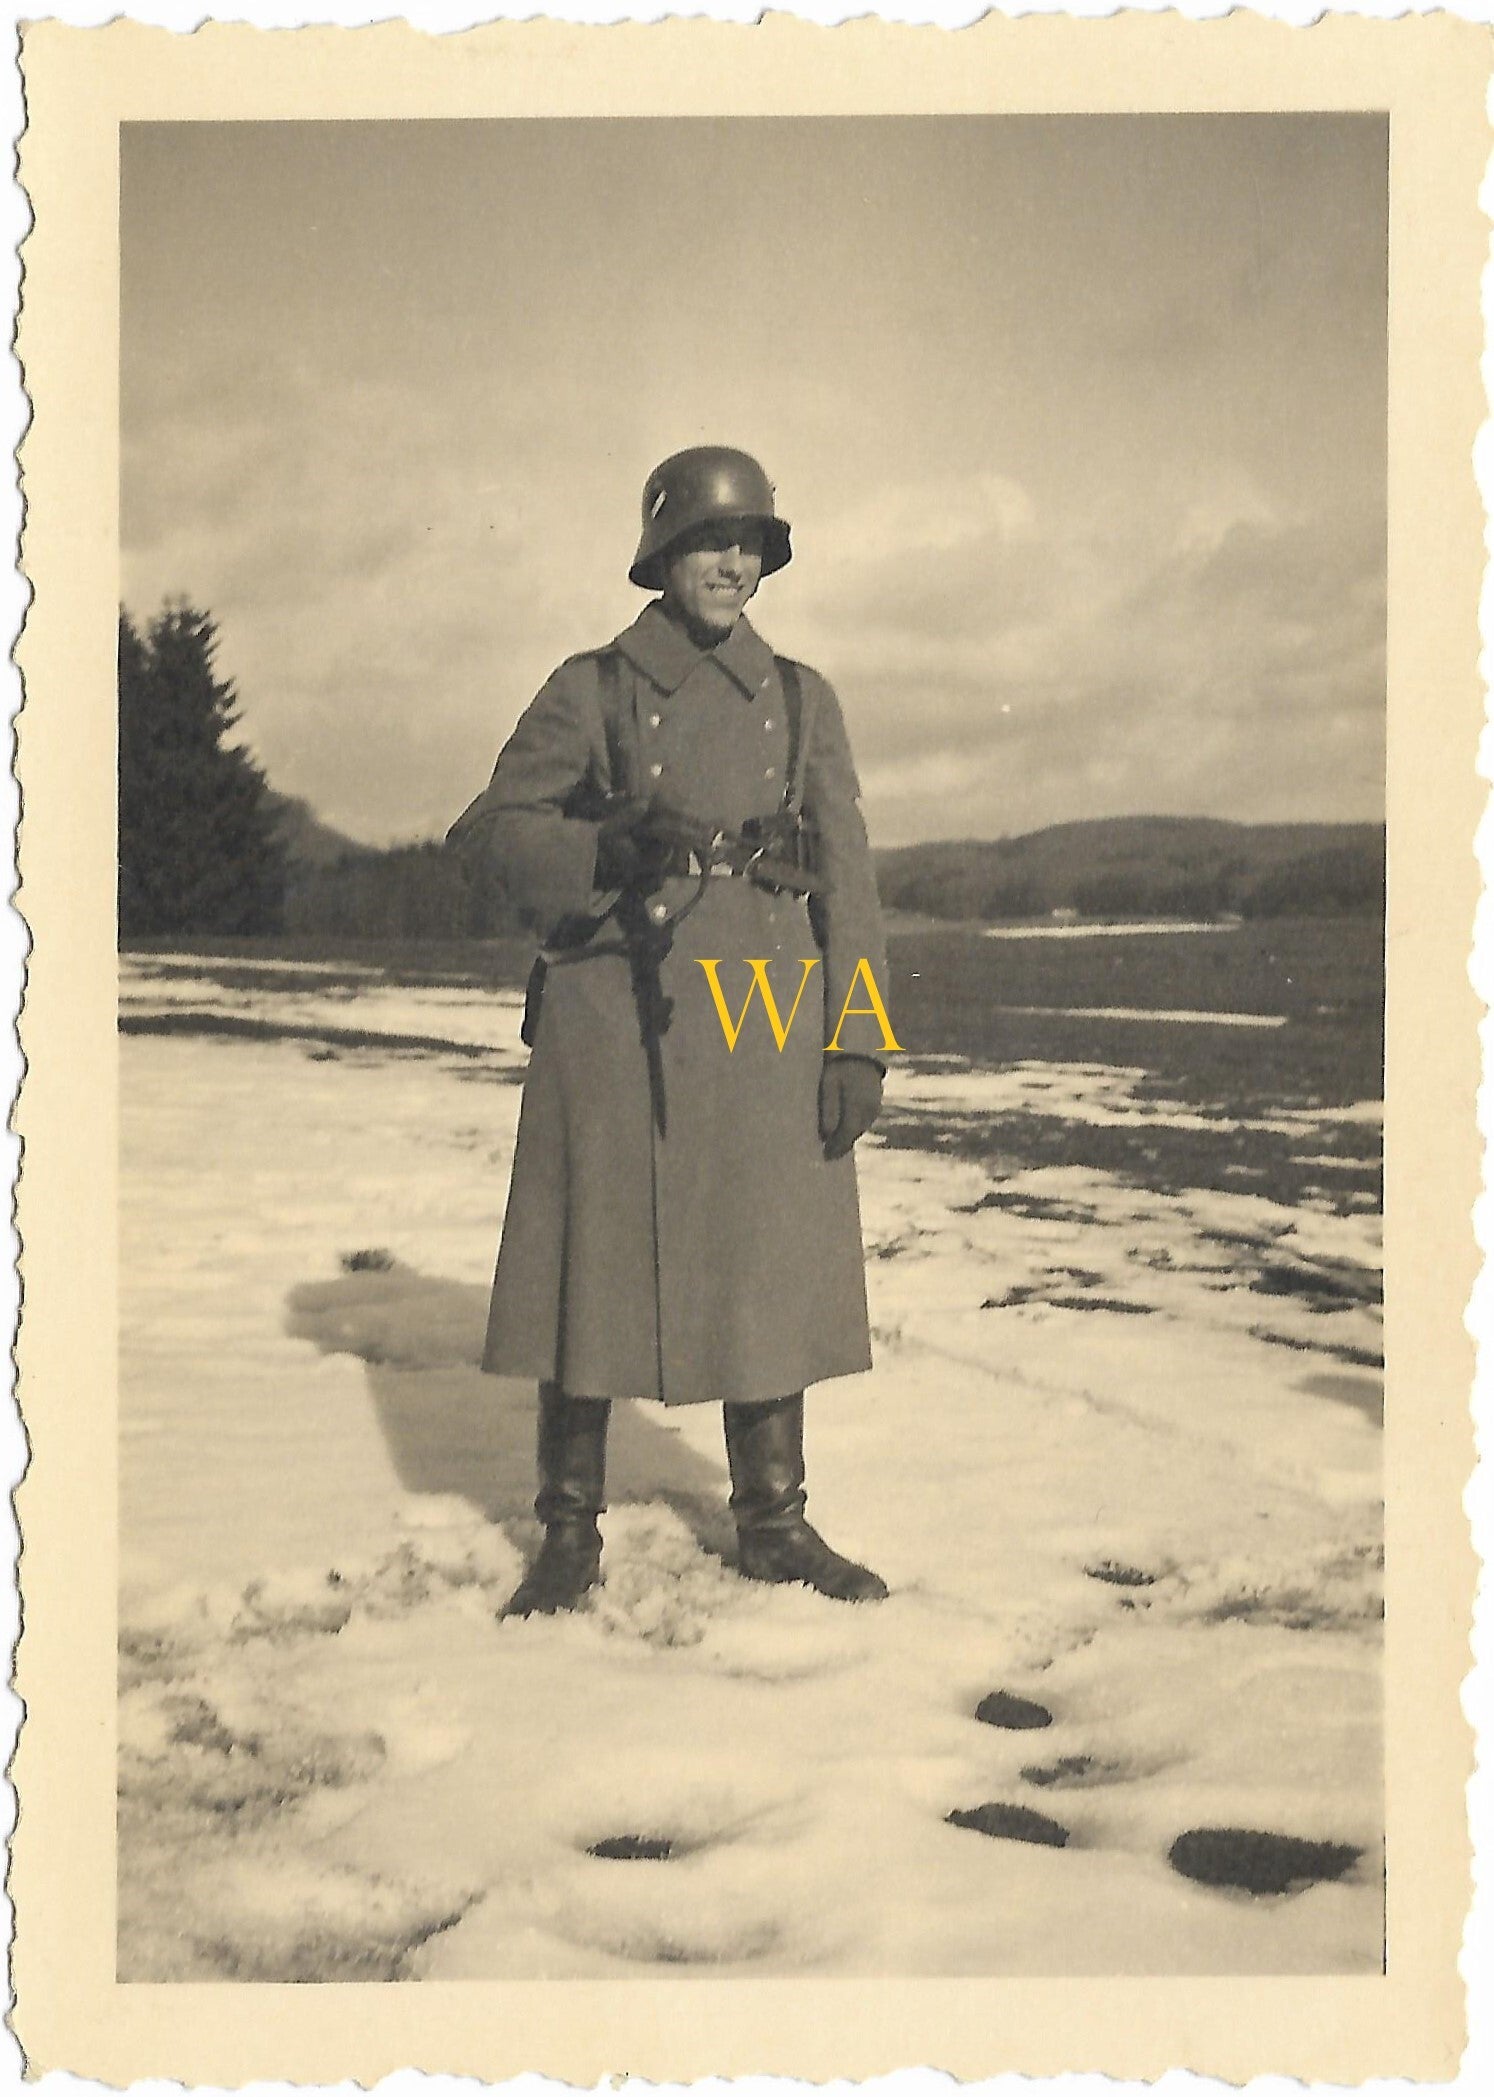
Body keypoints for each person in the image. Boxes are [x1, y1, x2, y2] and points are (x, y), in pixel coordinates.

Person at [448, 446, 899, 1619]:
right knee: (585, 1260)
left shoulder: (804, 698)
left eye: (750, 544)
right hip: (613, 1011)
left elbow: (848, 875)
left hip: (764, 1013)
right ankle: (565, 1532)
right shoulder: (591, 687)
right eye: (710, 542)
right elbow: (491, 831)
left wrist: (858, 1039)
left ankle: (775, 1523)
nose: (732, 564)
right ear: (662, 558)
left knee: (768, 1260)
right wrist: (599, 848)